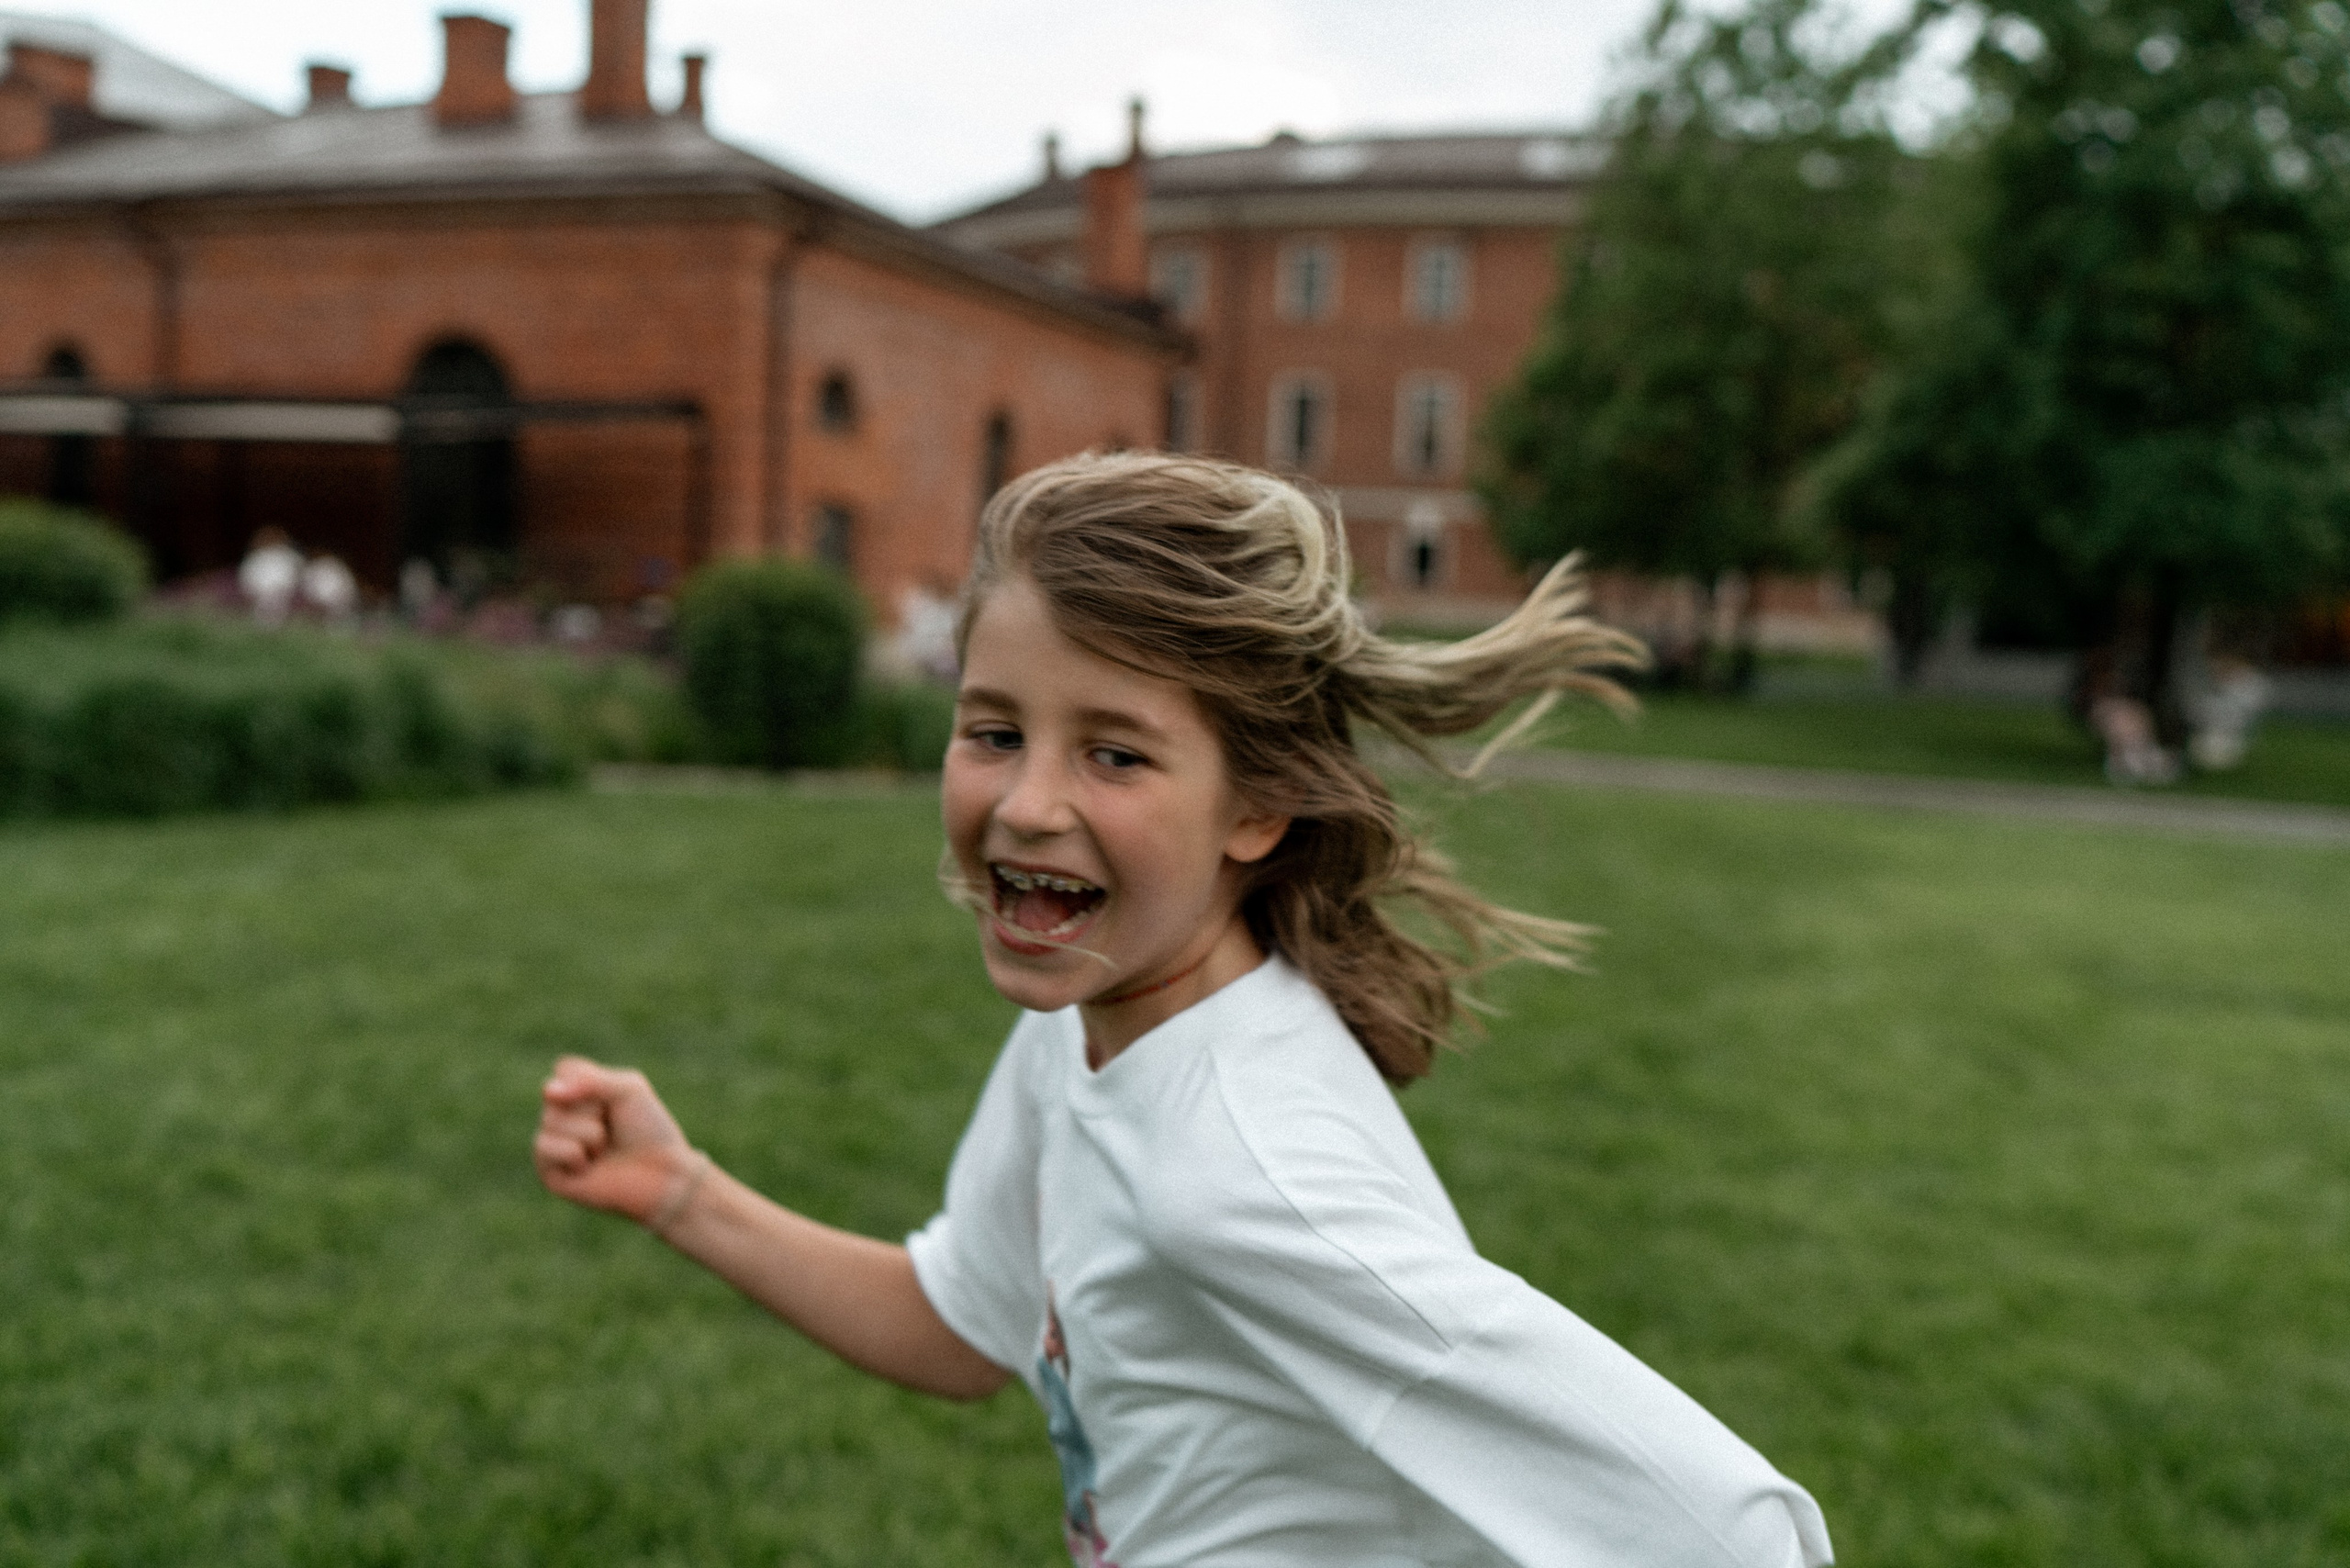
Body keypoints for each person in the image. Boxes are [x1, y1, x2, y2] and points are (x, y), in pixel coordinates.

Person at [535, 453, 1835, 1567]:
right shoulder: (1081, 1024)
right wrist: (680, 1193)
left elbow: (1732, 1534)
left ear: (1257, 807)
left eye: (1115, 752)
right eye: (994, 732)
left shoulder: (1244, 1174)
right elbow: (962, 1323)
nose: (1030, 802)